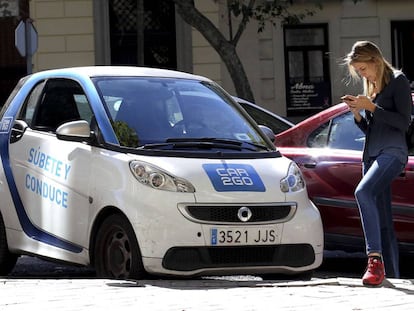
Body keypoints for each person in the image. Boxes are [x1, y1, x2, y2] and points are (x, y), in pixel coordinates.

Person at [342, 40, 412, 286]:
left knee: (362, 191)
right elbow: (372, 128)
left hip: (393, 152)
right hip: (371, 154)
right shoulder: (374, 87)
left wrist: (371, 106)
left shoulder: (399, 81)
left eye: (363, 68)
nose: (362, 74)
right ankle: (393, 278)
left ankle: (374, 261)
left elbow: (404, 123)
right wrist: (358, 113)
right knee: (383, 223)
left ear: (375, 60)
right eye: (359, 71)